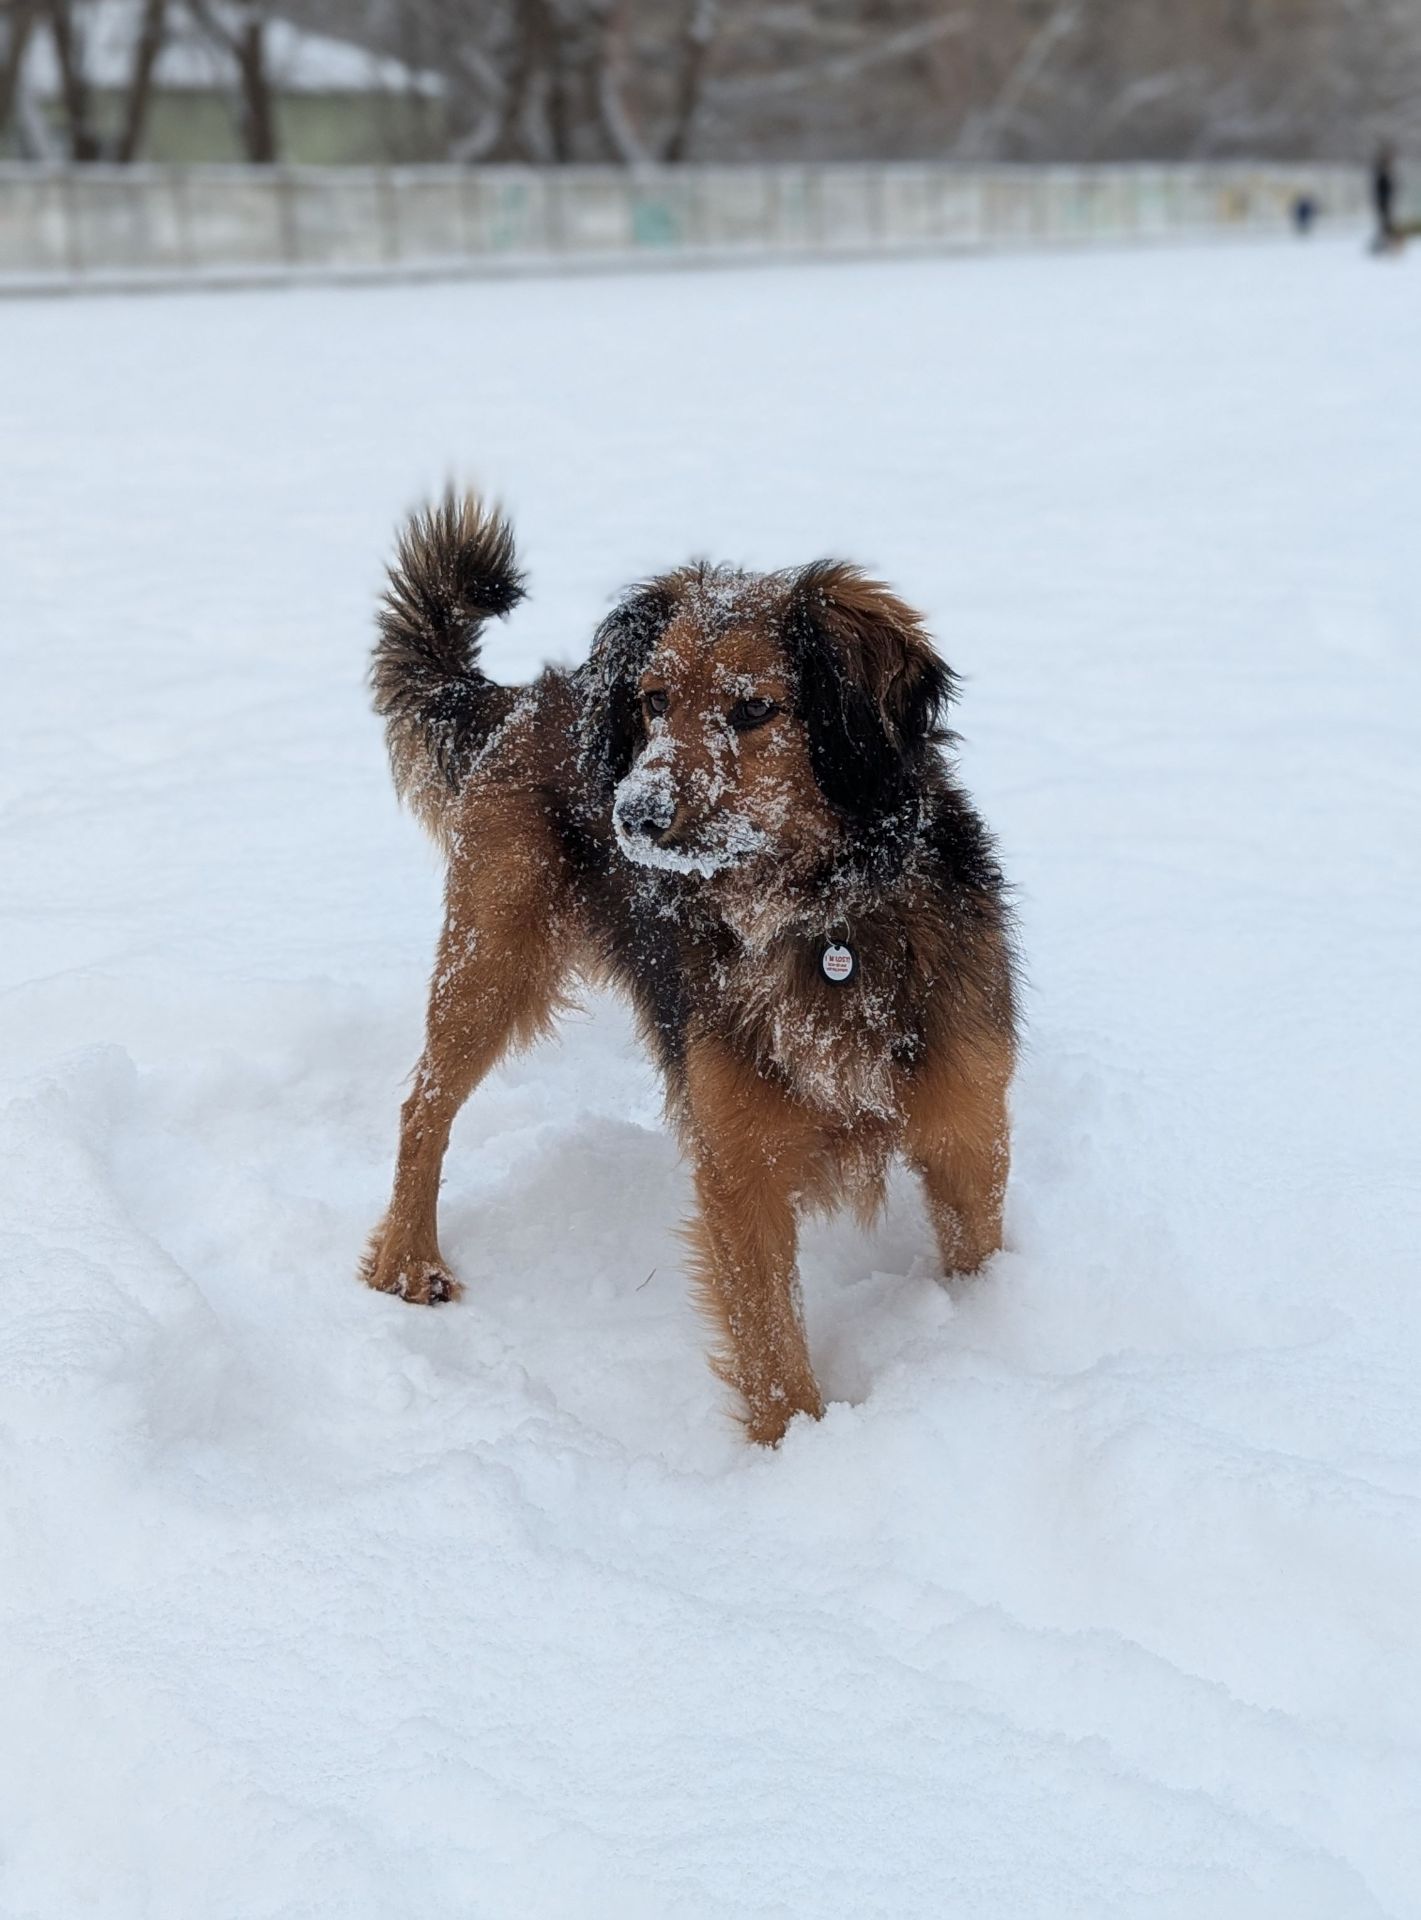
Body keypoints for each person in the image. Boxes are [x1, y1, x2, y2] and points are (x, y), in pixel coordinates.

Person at [1372, 144, 1399, 252]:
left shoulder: (1384, 173)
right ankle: (1385, 244)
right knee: (1385, 224)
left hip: (1385, 202)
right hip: (1383, 202)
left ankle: (1388, 243)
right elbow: (1380, 188)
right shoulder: (1381, 173)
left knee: (1387, 223)